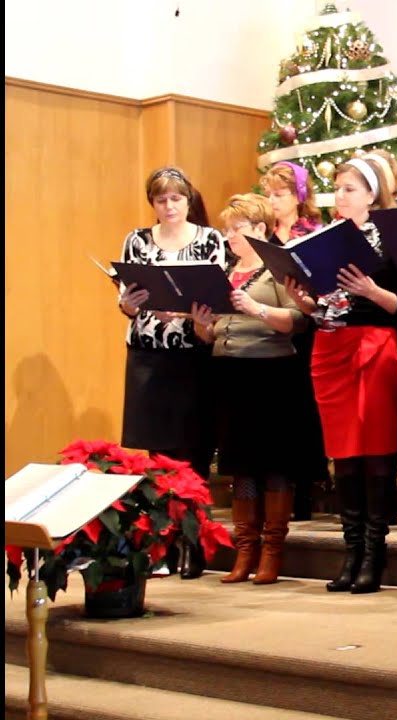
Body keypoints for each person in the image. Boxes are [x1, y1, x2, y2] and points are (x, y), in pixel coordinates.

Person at [283, 150, 397, 595]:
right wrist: (303, 301)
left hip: (374, 344)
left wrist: (371, 290)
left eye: (349, 188)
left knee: (375, 451)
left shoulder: (392, 237)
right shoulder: (325, 237)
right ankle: (351, 551)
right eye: (337, 187)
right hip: (329, 345)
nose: (339, 195)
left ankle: (373, 556)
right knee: (345, 455)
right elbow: (323, 304)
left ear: (372, 194)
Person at [192, 194, 307, 585]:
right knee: (240, 466)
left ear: (259, 229)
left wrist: (255, 309)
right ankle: (245, 551)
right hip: (229, 372)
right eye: (227, 230)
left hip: (271, 373)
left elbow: (297, 320)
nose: (229, 237)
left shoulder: (277, 267)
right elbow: (208, 334)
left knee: (273, 465)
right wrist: (202, 324)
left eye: (237, 229)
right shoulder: (224, 270)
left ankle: (272, 552)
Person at [116, 166, 225, 580]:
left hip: (192, 354)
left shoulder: (209, 239)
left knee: (193, 456)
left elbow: (214, 295)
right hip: (149, 354)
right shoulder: (137, 240)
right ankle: (162, 544)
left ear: (188, 200)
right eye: (161, 200)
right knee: (158, 458)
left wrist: (184, 311)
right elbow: (126, 298)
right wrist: (130, 304)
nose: (169, 206)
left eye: (176, 199)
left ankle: (194, 546)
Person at [259, 161, 328, 521]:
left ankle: (306, 489)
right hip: (272, 329)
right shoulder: (264, 235)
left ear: (299, 197)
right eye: (268, 193)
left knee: (305, 409)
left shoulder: (313, 230)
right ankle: (280, 489)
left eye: (280, 194)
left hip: (308, 328)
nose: (272, 200)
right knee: (280, 411)